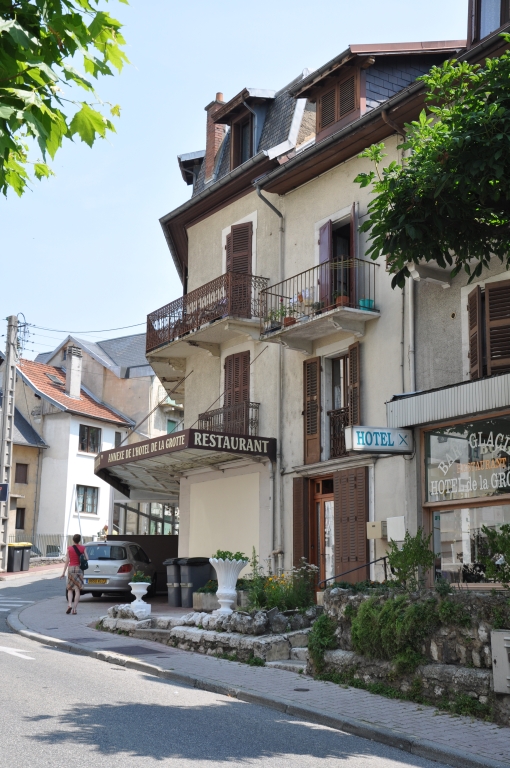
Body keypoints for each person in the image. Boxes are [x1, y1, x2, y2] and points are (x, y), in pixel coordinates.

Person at [60, 533, 88, 614]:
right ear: (79, 540)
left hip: (71, 569)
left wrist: (63, 573)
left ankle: (69, 604)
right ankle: (74, 609)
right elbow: (87, 558)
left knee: (70, 589)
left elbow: (67, 561)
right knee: (77, 589)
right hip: (79, 569)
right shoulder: (83, 548)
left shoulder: (69, 548)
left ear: (73, 540)